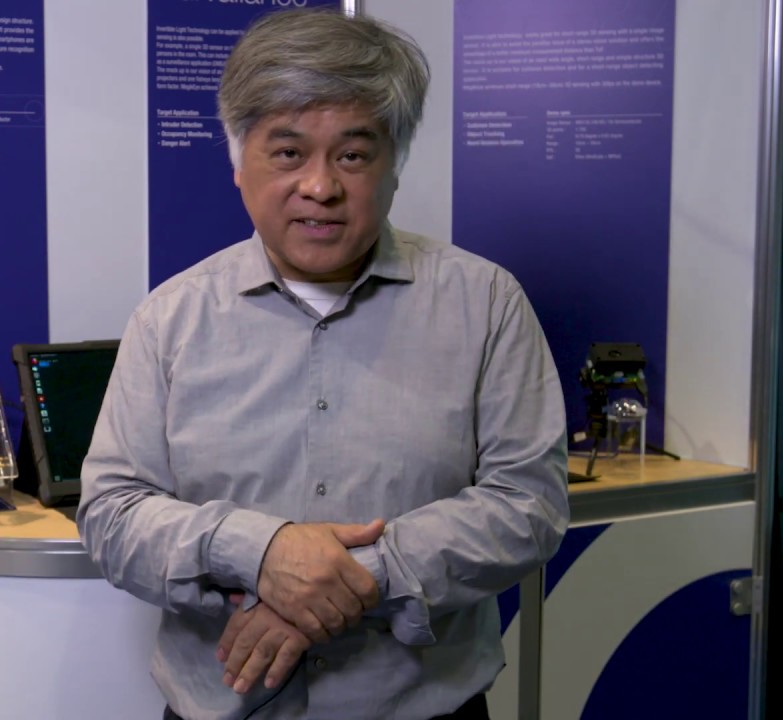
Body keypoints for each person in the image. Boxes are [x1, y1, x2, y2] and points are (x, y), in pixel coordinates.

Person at [77, 9, 569, 720]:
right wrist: (262, 552)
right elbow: (113, 515)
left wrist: (350, 579)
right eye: (288, 152)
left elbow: (529, 505)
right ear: (238, 165)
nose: (320, 186)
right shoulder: (170, 319)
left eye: (353, 155)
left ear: (394, 165)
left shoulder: (485, 303)